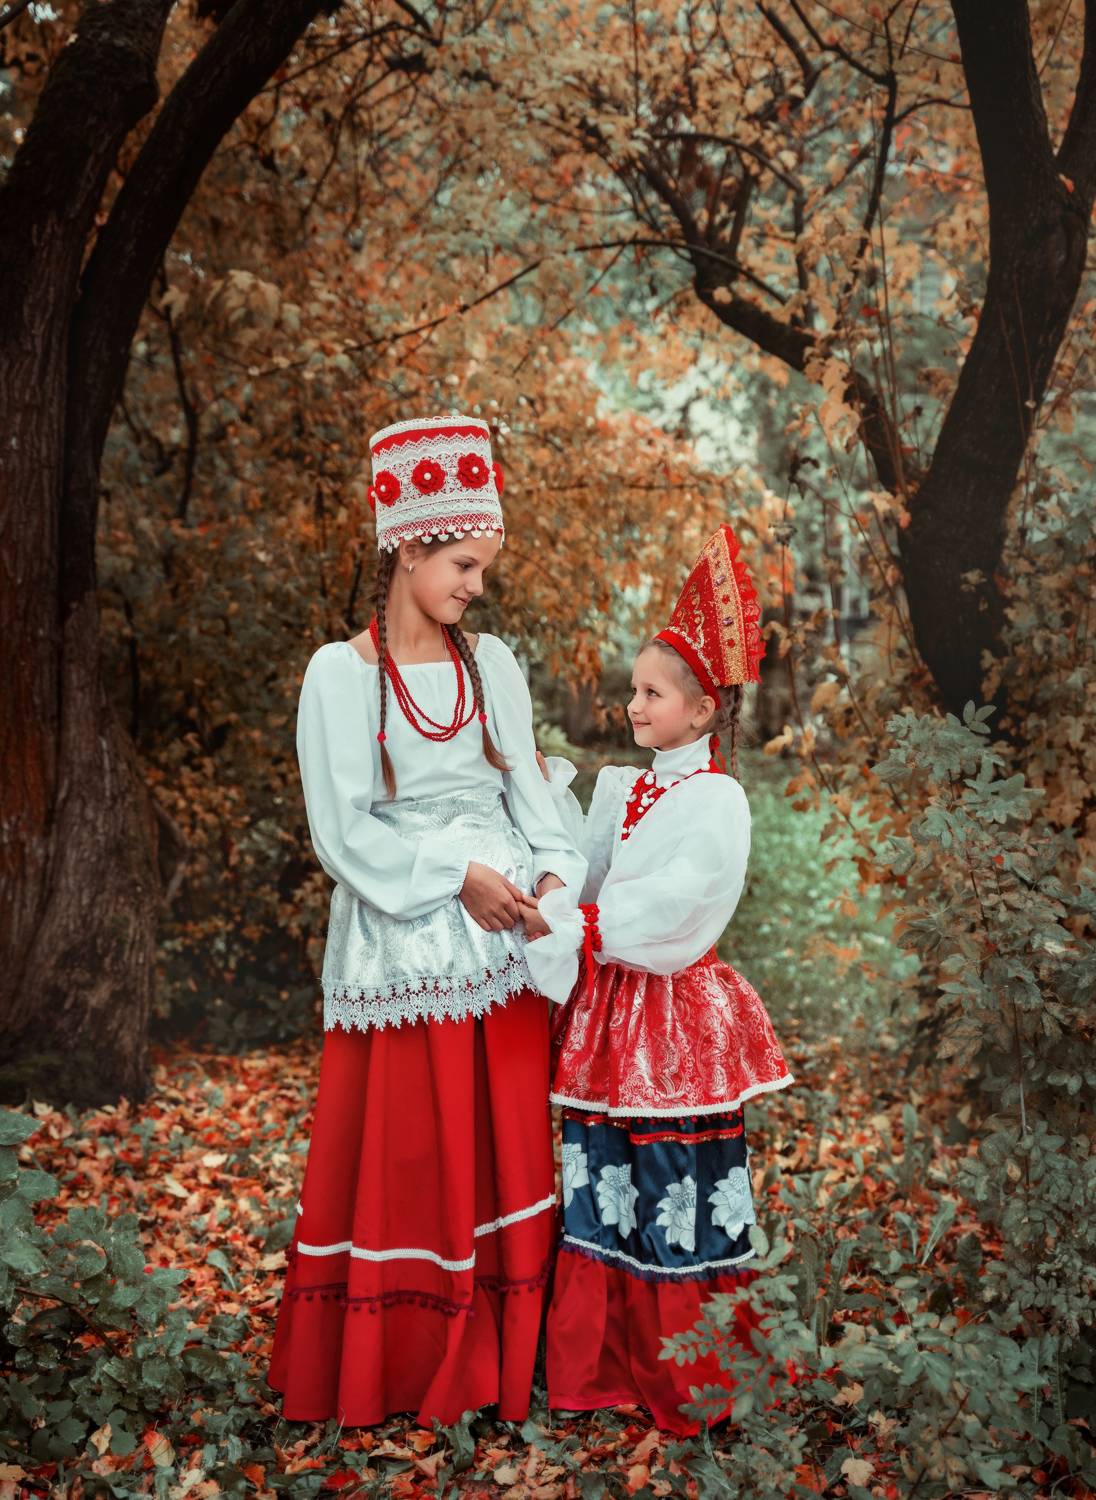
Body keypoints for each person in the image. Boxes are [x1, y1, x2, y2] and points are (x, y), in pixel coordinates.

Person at [267, 411, 586, 1427]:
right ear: (407, 548)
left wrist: (550, 884)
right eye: (462, 564)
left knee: (501, 1147)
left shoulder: (494, 666)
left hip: (502, 947)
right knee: (413, 1149)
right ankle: (400, 1364)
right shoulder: (341, 675)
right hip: (403, 936)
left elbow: (538, 810)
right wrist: (455, 877)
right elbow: (341, 831)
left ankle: (505, 1357)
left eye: (482, 567)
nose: (475, 586)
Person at [523, 523, 794, 1435]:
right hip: (611, 1010)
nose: (633, 705)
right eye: (634, 689)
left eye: (652, 693)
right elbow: (586, 874)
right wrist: (543, 806)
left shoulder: (717, 799)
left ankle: (690, 1372)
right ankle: (598, 1367)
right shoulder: (622, 788)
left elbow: (682, 901)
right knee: (600, 1173)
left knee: (674, 1174)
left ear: (702, 710)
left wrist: (593, 926)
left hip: (674, 1015)